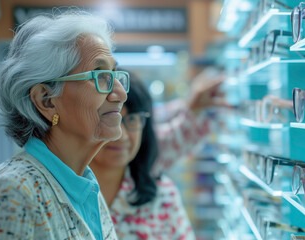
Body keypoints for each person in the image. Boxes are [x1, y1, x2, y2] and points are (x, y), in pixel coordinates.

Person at [0, 11, 128, 240]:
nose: (120, 94)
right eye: (100, 76)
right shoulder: (13, 191)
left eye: (115, 74)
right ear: (46, 100)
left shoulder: (86, 187)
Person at [90, 69, 228, 239]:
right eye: (111, 119)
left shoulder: (162, 196)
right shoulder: (61, 192)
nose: (121, 135)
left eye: (132, 120)